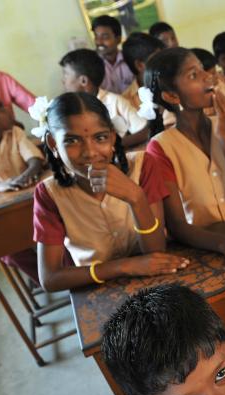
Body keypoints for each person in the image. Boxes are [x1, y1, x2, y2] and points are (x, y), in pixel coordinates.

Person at [32, 92, 187, 292]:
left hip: (154, 279)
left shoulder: (143, 165)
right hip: (96, 289)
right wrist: (123, 267)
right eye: (72, 140)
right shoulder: (49, 194)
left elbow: (155, 251)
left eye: (100, 138)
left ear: (113, 138)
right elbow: (50, 278)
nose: (90, 152)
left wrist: (136, 198)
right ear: (53, 143)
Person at [139, 47, 225, 272]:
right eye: (193, 75)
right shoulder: (161, 148)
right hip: (203, 247)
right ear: (172, 96)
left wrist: (223, 137)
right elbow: (177, 226)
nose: (208, 78)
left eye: (203, 70)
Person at [59, 48, 148, 149]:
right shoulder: (69, 110)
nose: (63, 80)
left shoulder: (115, 101)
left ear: (83, 81)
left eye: (66, 74)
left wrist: (114, 145)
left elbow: (144, 131)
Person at [91, 15, 135, 94]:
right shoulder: (91, 64)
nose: (99, 42)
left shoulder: (131, 59)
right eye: (96, 36)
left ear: (118, 39)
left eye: (105, 37)